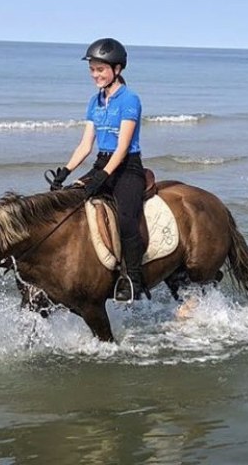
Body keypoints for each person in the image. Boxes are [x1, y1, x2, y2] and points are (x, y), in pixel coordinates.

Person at [48, 38, 148, 302]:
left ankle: (133, 280)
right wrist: (65, 172)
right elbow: (85, 145)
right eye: (92, 69)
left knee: (126, 219)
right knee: (67, 203)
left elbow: (122, 147)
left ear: (117, 69)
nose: (95, 75)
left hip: (127, 168)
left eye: (100, 69)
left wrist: (103, 177)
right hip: (101, 164)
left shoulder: (130, 100)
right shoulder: (95, 101)